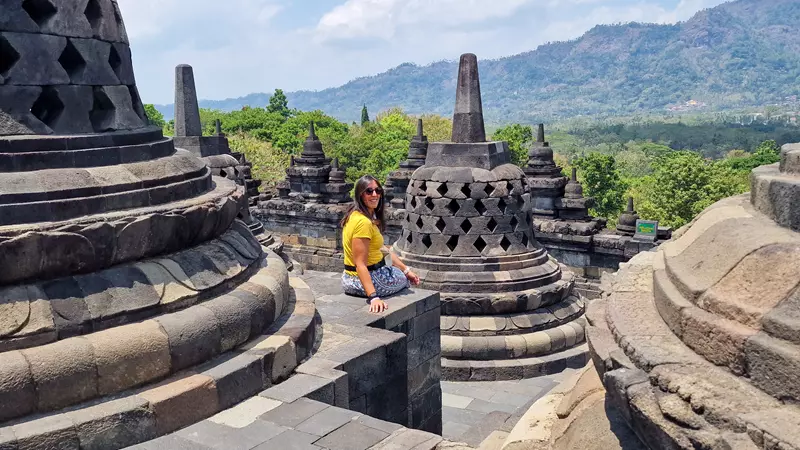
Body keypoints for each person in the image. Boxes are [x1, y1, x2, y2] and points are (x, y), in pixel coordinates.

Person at [341, 175, 420, 313]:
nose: (374, 194)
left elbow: (382, 249)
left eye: (378, 191)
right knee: (405, 281)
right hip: (362, 281)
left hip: (349, 278)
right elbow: (360, 264)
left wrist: (406, 270)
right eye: (369, 191)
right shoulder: (364, 223)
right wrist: (373, 297)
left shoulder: (355, 214)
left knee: (402, 272)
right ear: (360, 195)